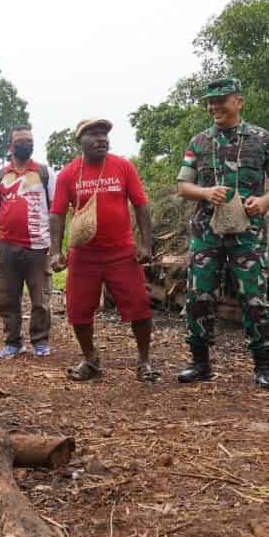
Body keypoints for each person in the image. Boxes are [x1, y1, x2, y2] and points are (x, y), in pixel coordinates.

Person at [175, 78, 269, 389]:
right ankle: (199, 363)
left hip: (248, 232)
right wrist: (205, 192)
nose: (215, 107)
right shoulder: (199, 142)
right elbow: (183, 185)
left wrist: (266, 201)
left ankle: (263, 365)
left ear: (238, 101)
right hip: (206, 232)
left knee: (254, 297)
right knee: (199, 295)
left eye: (221, 100)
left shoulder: (261, 139)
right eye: (211, 102)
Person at [49, 118, 158, 382]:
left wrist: (145, 244)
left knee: (140, 307)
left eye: (105, 134)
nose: (101, 139)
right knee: (78, 311)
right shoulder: (68, 174)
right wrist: (56, 251)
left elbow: (140, 205)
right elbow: (57, 214)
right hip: (84, 257)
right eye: (94, 134)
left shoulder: (123, 167)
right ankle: (91, 359)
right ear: (80, 142)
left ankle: (144, 361)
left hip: (122, 253)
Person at [0, 127, 55, 359]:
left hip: (38, 246)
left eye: (29, 140)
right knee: (8, 297)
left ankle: (40, 341)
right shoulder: (0, 177)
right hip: (7, 246)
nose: (26, 144)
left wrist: (56, 246)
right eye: (21, 141)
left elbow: (56, 211)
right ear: (10, 147)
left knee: (40, 298)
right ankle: (13, 342)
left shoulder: (44, 174)